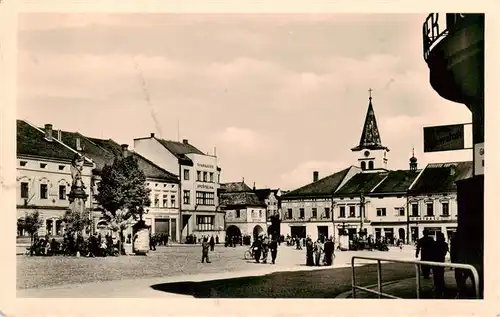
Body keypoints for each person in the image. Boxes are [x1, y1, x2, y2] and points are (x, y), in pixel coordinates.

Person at [431, 232, 449, 298]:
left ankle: (437, 285)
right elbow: (445, 252)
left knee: (436, 273)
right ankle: (441, 285)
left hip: (435, 260)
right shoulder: (445, 244)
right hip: (441, 260)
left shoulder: (434, 243)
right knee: (441, 273)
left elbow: (432, 251)